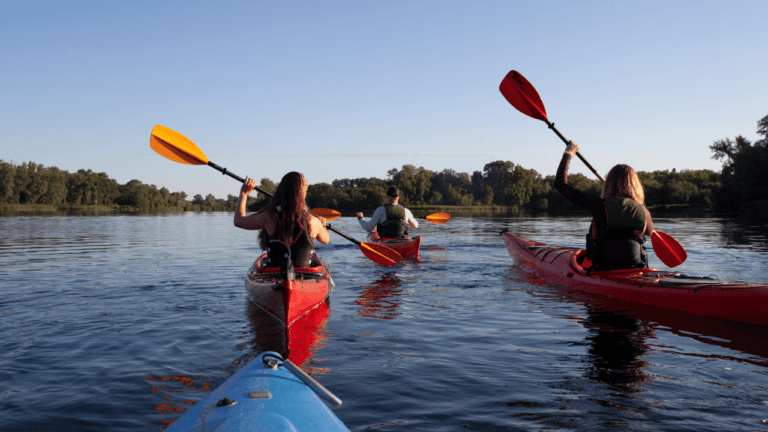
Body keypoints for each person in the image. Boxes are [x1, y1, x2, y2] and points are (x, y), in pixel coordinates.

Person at [555, 141, 654, 271]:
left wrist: (568, 154)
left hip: (604, 270)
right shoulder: (644, 211)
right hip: (636, 269)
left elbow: (561, 184)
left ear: (608, 184)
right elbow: (649, 232)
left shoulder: (598, 205)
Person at [234, 172, 329, 268]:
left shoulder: (269, 217)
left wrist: (244, 193)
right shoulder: (313, 221)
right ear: (303, 192)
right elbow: (326, 240)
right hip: (305, 276)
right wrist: (322, 225)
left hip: (275, 277)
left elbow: (238, 221)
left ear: (281, 190)